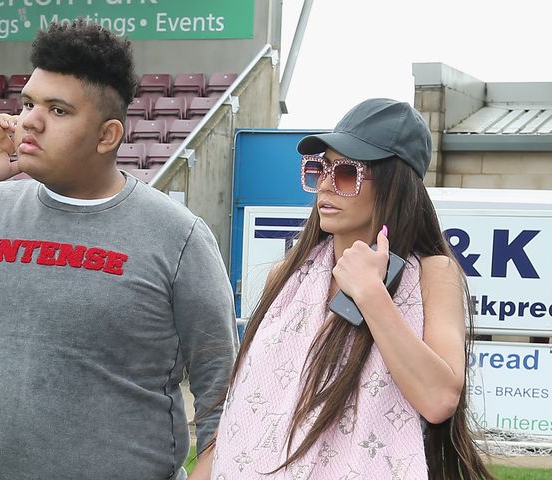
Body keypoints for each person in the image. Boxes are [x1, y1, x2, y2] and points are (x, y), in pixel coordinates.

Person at [0, 21, 237, 480]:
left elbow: (220, 383)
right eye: (28, 103)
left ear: (107, 136)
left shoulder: (178, 236)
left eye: (57, 110)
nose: (29, 121)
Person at [197, 98, 494, 479]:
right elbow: (245, 409)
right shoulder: (287, 276)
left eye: (347, 173)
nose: (325, 185)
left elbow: (439, 399)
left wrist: (371, 295)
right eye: (320, 168)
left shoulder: (433, 274)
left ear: (394, 185)